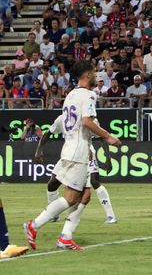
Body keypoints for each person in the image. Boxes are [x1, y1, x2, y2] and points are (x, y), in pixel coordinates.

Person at [24, 60, 121, 251]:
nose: (96, 76)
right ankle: (33, 225)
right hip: (78, 151)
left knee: (82, 196)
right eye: (93, 72)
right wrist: (109, 137)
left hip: (71, 149)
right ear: (86, 75)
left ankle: (65, 237)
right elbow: (87, 121)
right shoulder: (89, 95)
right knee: (71, 197)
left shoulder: (69, 96)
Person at [36, 114, 118, 226]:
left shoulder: (90, 120)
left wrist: (108, 158)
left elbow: (102, 137)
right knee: (52, 185)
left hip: (86, 154)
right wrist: (39, 150)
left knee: (95, 182)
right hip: (68, 155)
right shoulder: (62, 118)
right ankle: (54, 215)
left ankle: (111, 215)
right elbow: (48, 133)